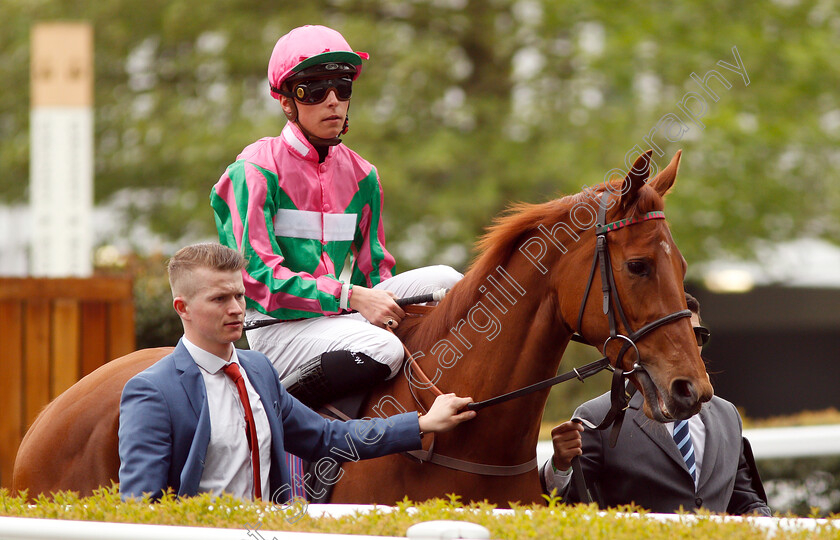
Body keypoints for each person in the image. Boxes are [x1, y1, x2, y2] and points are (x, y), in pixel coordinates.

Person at [210, 24, 461, 408]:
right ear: (285, 100)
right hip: (277, 328)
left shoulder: (364, 175)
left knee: (451, 281)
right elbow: (255, 278)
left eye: (342, 88)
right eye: (313, 89)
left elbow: (375, 272)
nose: (332, 101)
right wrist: (350, 296)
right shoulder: (254, 171)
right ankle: (275, 414)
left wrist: (380, 305)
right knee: (385, 350)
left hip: (339, 318)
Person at [118, 243, 475, 502]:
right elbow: (139, 509)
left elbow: (326, 438)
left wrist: (422, 424)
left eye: (240, 296)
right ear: (183, 308)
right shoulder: (151, 390)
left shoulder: (257, 370)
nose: (237, 309)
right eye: (219, 299)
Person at [541, 292, 771, 516]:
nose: (687, 344)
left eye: (696, 334)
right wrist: (560, 466)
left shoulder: (727, 415)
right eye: (675, 333)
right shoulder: (598, 416)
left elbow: (746, 501)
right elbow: (564, 509)